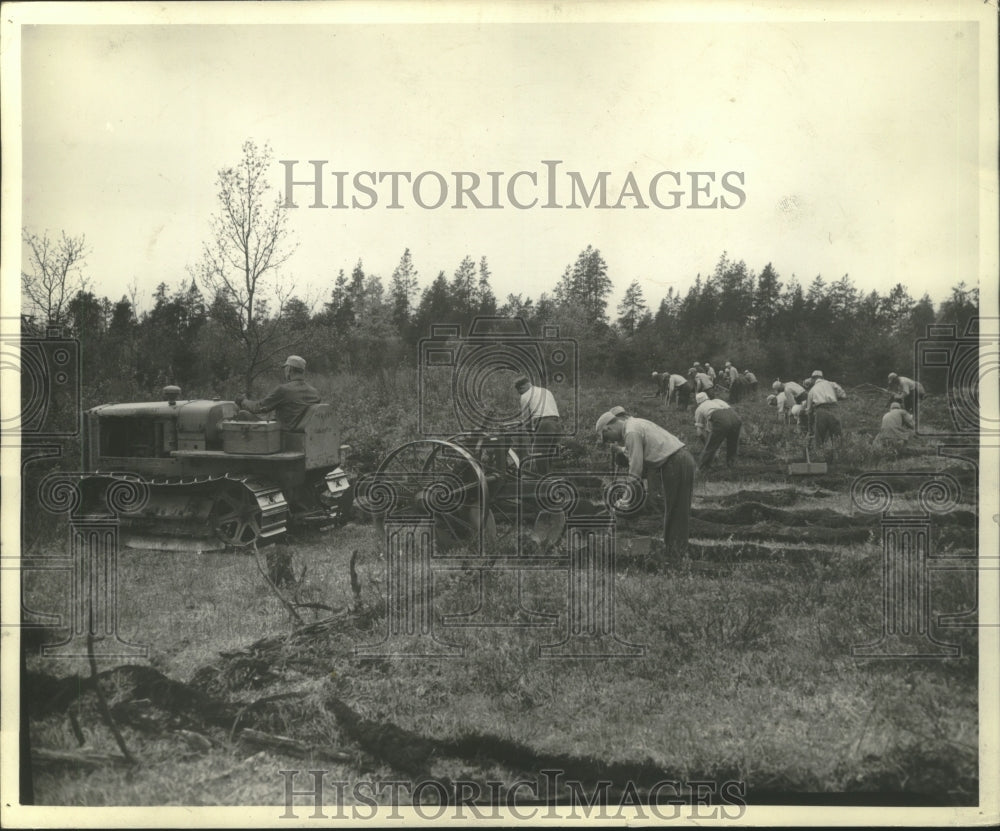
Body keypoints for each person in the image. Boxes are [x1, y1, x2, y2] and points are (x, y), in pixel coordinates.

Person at [596, 407, 695, 560]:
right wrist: (621, 450)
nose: (611, 441)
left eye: (608, 437)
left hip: (677, 461)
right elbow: (632, 454)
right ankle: (673, 551)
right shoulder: (633, 425)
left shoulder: (631, 431)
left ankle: (676, 555)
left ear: (608, 427)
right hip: (675, 461)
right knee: (673, 509)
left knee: (676, 511)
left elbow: (636, 468)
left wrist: (625, 499)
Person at [236, 355, 321, 431]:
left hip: (280, 434)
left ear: (289, 369)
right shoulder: (315, 392)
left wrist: (243, 401)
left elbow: (258, 408)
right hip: (300, 432)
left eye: (285, 369)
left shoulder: (283, 390)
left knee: (243, 414)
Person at [513, 376, 561, 475]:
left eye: (520, 391)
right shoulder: (545, 391)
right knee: (548, 455)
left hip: (544, 424)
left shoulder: (525, 395)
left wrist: (530, 435)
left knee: (539, 454)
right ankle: (548, 478)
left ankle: (542, 480)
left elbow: (526, 419)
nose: (520, 394)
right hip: (556, 424)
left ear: (522, 387)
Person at [693, 392, 742, 471]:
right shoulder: (717, 400)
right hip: (736, 418)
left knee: (710, 447)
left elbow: (699, 433)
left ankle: (701, 469)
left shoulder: (699, 409)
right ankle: (732, 466)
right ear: (707, 397)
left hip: (722, 420)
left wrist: (707, 443)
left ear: (697, 402)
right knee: (732, 444)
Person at [803, 372, 847, 446]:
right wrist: (834, 397)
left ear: (813, 379)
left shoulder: (812, 390)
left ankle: (820, 455)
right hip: (834, 409)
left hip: (821, 411)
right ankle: (838, 455)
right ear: (822, 377)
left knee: (820, 437)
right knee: (837, 436)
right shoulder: (832, 384)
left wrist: (810, 428)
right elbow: (843, 395)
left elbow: (809, 411)